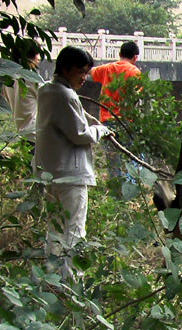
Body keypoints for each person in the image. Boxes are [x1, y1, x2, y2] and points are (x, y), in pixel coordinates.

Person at [34, 46, 112, 280]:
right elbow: (80, 134)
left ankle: (51, 279)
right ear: (65, 69)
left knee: (55, 228)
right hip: (71, 175)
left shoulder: (46, 89)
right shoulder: (65, 95)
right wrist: (101, 130)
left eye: (86, 73)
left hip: (50, 172)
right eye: (80, 72)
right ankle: (72, 283)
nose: (84, 78)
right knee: (75, 230)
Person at [88, 41, 141, 124]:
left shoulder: (107, 68)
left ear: (119, 54)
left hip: (106, 121)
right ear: (135, 57)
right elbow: (137, 96)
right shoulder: (135, 72)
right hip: (125, 122)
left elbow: (90, 71)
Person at [1, 48, 42, 151]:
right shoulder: (31, 79)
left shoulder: (7, 81)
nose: (38, 58)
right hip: (36, 135)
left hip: (23, 136)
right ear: (28, 58)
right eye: (37, 55)